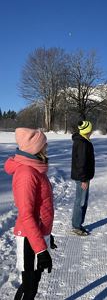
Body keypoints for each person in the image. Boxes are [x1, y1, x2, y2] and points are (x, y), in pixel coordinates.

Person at [4, 128, 54, 300]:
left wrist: (48, 234)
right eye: (43, 143)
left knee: (32, 282)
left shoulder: (36, 169)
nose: (46, 145)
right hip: (29, 237)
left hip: (38, 235)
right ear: (35, 148)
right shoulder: (27, 173)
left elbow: (41, 207)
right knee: (30, 285)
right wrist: (41, 250)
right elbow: (26, 215)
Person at [71, 120, 95, 236]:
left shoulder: (83, 140)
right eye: (91, 130)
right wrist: (84, 179)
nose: (92, 132)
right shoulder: (82, 143)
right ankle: (76, 226)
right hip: (82, 177)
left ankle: (78, 224)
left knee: (82, 201)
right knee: (80, 201)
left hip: (83, 176)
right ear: (87, 131)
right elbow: (81, 163)